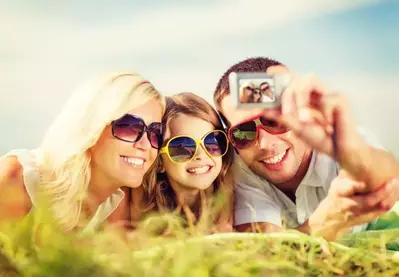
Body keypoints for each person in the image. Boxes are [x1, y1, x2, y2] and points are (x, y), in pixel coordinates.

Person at [213, 57, 399, 241]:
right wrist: (326, 221)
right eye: (243, 133)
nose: (265, 144)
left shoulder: (341, 136)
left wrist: (351, 154)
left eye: (275, 121)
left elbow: (389, 178)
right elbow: (267, 249)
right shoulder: (240, 170)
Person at [0, 72, 165, 233]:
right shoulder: (18, 178)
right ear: (92, 127)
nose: (145, 144)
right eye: (129, 126)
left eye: (155, 132)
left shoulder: (113, 203)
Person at [144, 92, 234, 232]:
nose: (201, 154)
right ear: (160, 162)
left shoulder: (238, 197)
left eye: (212, 141)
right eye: (182, 147)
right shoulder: (144, 207)